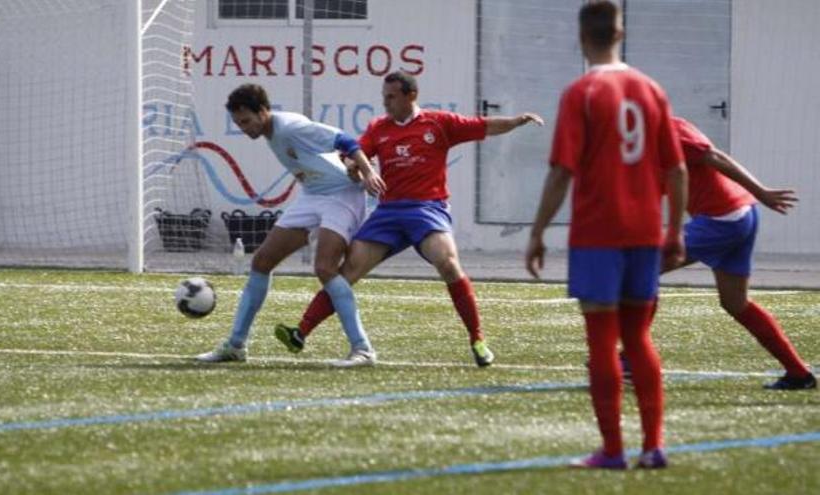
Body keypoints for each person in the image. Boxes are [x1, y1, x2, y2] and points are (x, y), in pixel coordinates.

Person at [273, 70, 544, 367]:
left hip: (427, 210)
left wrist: (517, 121)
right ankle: (301, 332)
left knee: (448, 263)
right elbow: (355, 154)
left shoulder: (439, 123)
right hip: (388, 213)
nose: (386, 103)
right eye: (384, 97)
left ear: (410, 95)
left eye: (391, 97)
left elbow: (484, 125)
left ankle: (477, 339)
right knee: (347, 271)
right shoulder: (379, 128)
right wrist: (354, 167)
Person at [525, 1, 686, 469]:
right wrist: (673, 228)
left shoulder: (582, 92)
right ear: (620, 34)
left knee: (601, 342)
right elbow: (676, 169)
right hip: (644, 230)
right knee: (638, 339)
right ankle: (654, 445)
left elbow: (561, 171)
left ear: (582, 38)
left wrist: (537, 232)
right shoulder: (651, 89)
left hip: (598, 232)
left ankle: (613, 450)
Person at [196, 83, 386, 367]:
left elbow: (346, 141)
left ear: (263, 112)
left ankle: (363, 349)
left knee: (324, 268)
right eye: (238, 123)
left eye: (246, 121)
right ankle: (236, 345)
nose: (244, 128)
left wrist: (369, 173)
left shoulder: (291, 127)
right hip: (312, 195)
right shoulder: (271, 133)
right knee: (261, 261)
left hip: (342, 195)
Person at [655, 117, 814, 390]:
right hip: (738, 214)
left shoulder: (666, 129)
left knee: (640, 270)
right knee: (735, 303)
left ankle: (630, 361)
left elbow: (715, 156)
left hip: (724, 218)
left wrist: (761, 191)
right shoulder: (634, 142)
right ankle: (799, 374)